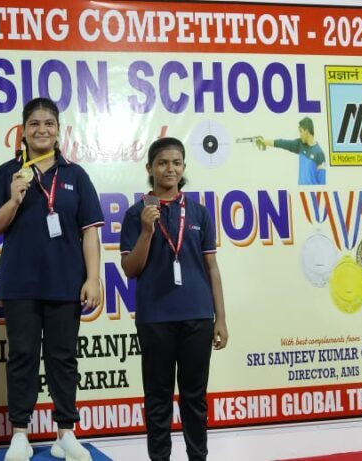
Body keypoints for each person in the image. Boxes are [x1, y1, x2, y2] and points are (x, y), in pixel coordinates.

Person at [0, 98, 104, 461]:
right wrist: (13, 200)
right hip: (20, 284)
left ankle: (65, 432)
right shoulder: (7, 173)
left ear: (58, 130)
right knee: (22, 357)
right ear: (23, 131)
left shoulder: (75, 175)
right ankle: (20, 433)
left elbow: (89, 232)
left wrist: (93, 278)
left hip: (66, 282)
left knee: (63, 358)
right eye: (34, 123)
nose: (42, 130)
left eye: (49, 123)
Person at [119, 137, 229, 461]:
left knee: (195, 397)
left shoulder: (198, 213)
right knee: (158, 398)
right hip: (155, 318)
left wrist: (221, 318)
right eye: (163, 163)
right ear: (149, 168)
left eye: (176, 163)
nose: (170, 169)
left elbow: (211, 267)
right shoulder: (136, 214)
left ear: (184, 168)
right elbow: (130, 268)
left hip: (198, 316)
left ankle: (198, 457)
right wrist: (146, 231)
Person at [255, 116, 327, 185]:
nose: (300, 134)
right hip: (301, 191)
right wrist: (264, 142)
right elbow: (282, 143)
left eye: (301, 131)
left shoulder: (319, 153)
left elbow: (322, 183)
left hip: (313, 193)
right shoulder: (300, 144)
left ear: (306, 131)